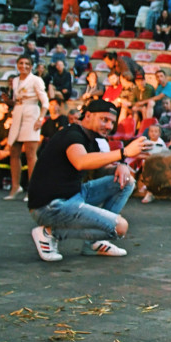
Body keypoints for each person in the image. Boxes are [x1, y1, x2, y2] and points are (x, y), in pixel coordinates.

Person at [27, 100, 146, 262]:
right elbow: (81, 161)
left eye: (112, 122)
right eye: (104, 119)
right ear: (88, 115)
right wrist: (123, 153)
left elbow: (99, 167)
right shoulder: (72, 134)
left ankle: (93, 244)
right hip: (50, 206)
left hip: (73, 194)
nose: (109, 126)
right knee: (119, 228)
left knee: (126, 182)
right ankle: (50, 232)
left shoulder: (93, 138)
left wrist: (122, 166)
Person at [5, 56, 49, 201]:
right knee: (14, 151)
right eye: (21, 63)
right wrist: (8, 101)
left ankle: (33, 189)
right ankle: (16, 186)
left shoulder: (36, 80)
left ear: (31, 66)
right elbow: (17, 99)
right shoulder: (15, 80)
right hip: (17, 114)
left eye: (27, 64)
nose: (23, 66)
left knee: (31, 154)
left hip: (32, 114)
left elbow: (45, 102)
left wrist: (40, 119)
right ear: (17, 65)